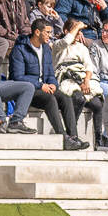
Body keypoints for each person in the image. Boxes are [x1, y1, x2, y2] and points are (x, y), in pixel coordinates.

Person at [11, 18, 86, 150]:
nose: (50, 35)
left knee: (65, 99)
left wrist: (53, 84)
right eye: (48, 32)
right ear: (37, 32)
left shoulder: (45, 48)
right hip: (27, 90)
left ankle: (73, 136)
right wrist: (40, 86)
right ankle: (63, 138)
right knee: (50, 99)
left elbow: (50, 73)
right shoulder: (19, 50)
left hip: (44, 87)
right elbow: (18, 77)